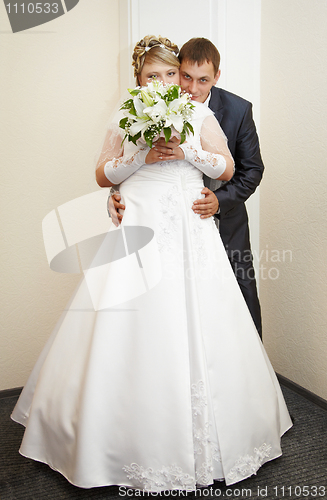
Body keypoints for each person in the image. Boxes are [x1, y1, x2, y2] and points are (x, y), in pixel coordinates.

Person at [11, 35, 292, 492]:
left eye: (169, 74)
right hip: (137, 221)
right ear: (138, 80)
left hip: (188, 223)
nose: (164, 83)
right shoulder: (128, 115)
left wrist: (186, 151)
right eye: (153, 75)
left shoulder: (198, 110)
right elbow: (104, 173)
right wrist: (138, 154)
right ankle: (103, 441)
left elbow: (225, 167)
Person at [110, 37, 264, 338]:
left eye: (203, 80)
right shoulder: (150, 108)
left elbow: (252, 170)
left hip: (226, 221)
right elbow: (133, 166)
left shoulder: (238, 109)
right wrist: (114, 196)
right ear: (178, 71)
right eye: (186, 77)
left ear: (216, 77)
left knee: (241, 295)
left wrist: (219, 200)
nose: (192, 89)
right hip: (170, 224)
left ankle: (254, 376)